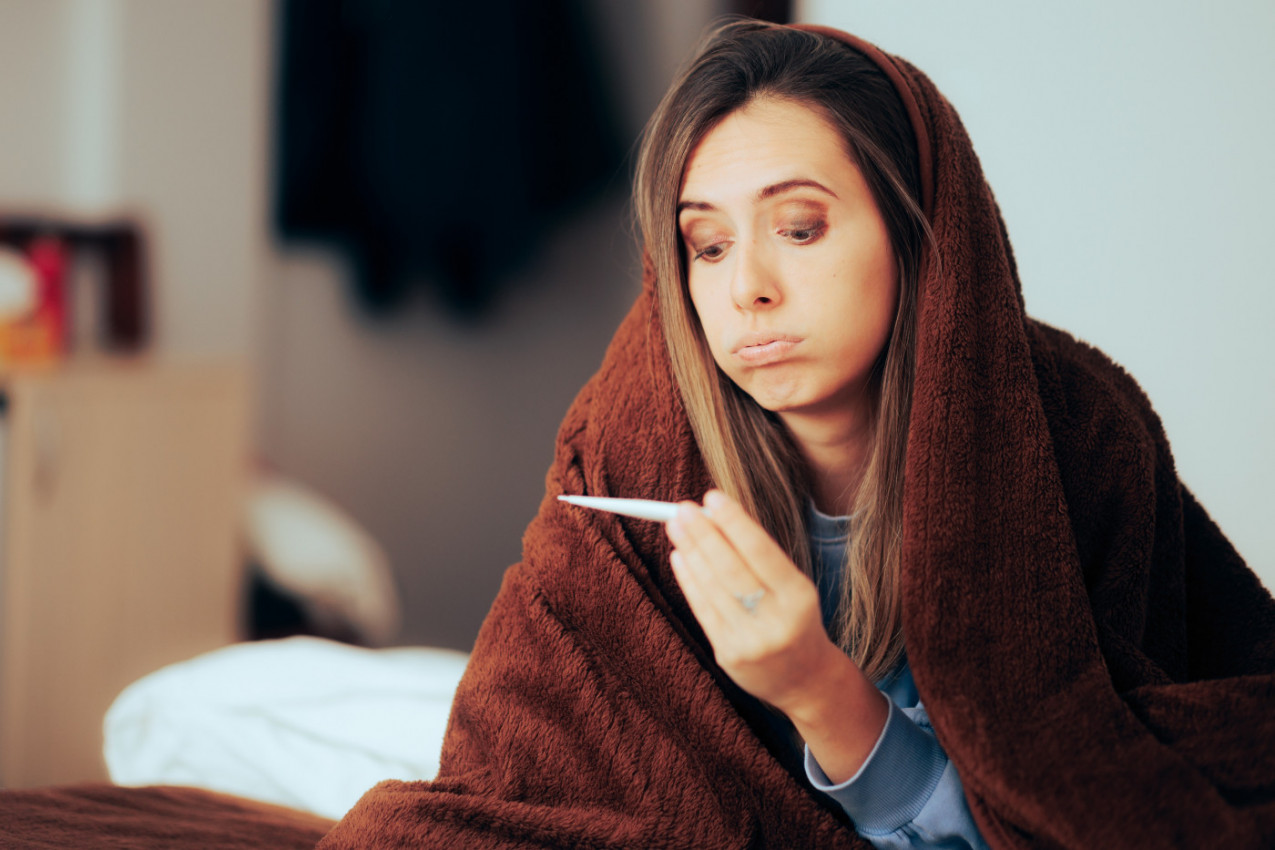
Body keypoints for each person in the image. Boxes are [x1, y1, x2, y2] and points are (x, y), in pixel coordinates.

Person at [319, 19, 1275, 850]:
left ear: (917, 230)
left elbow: (1132, 804)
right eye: (708, 245)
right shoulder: (628, 442)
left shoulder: (1073, 432)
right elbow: (527, 777)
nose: (747, 290)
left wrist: (820, 691)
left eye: (801, 228)